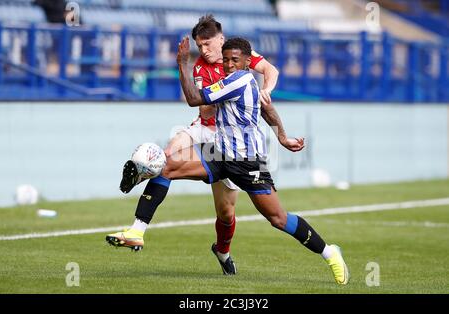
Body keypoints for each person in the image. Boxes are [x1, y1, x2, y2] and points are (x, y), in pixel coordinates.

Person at [116, 36, 350, 285]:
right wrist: (282, 135)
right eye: (226, 60)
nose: (229, 64)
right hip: (219, 153)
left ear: (248, 62)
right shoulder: (235, 80)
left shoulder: (238, 80)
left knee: (278, 218)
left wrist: (183, 63)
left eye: (234, 60)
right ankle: (137, 230)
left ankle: (329, 252)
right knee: (166, 167)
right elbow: (266, 107)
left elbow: (194, 99)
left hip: (247, 163)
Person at [106, 15, 279, 275]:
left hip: (229, 139)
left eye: (208, 44)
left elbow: (271, 71)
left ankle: (223, 252)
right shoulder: (198, 67)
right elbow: (204, 107)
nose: (204, 50)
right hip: (203, 129)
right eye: (200, 45)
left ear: (221, 40)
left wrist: (265, 91)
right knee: (164, 158)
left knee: (225, 212)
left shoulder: (239, 57)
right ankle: (137, 228)